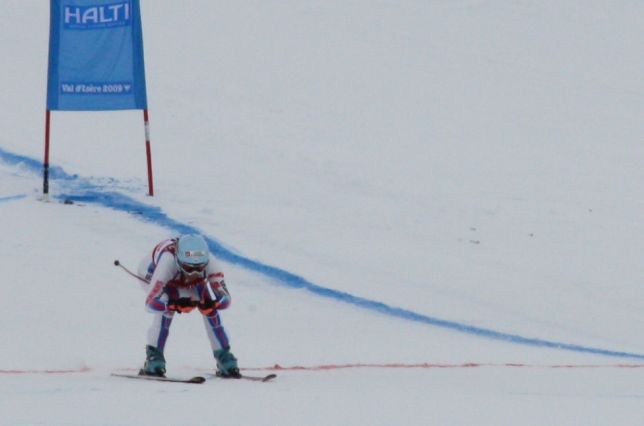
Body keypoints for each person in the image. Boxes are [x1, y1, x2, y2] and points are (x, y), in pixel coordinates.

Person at [135, 233, 240, 378]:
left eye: (200, 268)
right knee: (166, 301)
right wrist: (173, 305)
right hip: (151, 274)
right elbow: (150, 304)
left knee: (210, 309)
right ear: (179, 261)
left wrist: (212, 304)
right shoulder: (167, 262)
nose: (195, 273)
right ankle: (154, 358)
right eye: (190, 268)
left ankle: (225, 358)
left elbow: (226, 299)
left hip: (181, 278)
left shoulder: (211, 263)